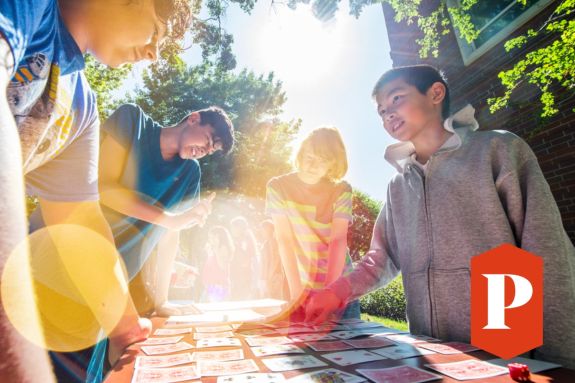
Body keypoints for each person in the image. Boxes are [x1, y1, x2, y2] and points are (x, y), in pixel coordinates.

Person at [305, 65, 575, 368]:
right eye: (381, 111)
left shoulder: (498, 150)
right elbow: (379, 260)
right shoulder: (397, 186)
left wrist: (560, 360)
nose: (388, 114)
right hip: (432, 355)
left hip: (507, 350)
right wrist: (335, 292)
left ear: (435, 93)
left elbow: (548, 251)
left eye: (396, 99)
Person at [0, 0, 191, 381]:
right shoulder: (30, 8)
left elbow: (80, 222)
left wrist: (125, 330)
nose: (154, 54)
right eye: (155, 31)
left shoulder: (83, 108)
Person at [99, 103, 234, 315]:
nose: (203, 152)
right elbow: (103, 188)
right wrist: (171, 219)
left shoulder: (191, 172)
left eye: (209, 151)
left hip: (115, 283)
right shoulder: (133, 121)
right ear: (193, 118)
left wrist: (162, 302)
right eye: (207, 140)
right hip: (66, 252)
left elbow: (171, 236)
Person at [266, 127, 360, 320]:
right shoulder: (277, 187)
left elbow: (338, 240)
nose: (313, 165)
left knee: (348, 347)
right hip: (299, 284)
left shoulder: (341, 189)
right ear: (301, 154)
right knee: (302, 346)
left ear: (333, 164)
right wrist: (296, 294)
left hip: (339, 286)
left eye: (322, 160)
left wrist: (329, 293)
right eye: (310, 156)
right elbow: (284, 240)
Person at [229, 216, 260, 301]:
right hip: (240, 277)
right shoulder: (240, 240)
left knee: (240, 299)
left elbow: (246, 260)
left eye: (233, 227)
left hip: (242, 278)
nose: (232, 230)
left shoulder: (245, 240)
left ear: (239, 228)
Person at [201, 226, 235, 302]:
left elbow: (222, 267)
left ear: (218, 236)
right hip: (211, 286)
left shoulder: (223, 248)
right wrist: (209, 252)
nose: (209, 240)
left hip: (218, 287)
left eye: (211, 237)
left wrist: (215, 248)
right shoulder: (215, 249)